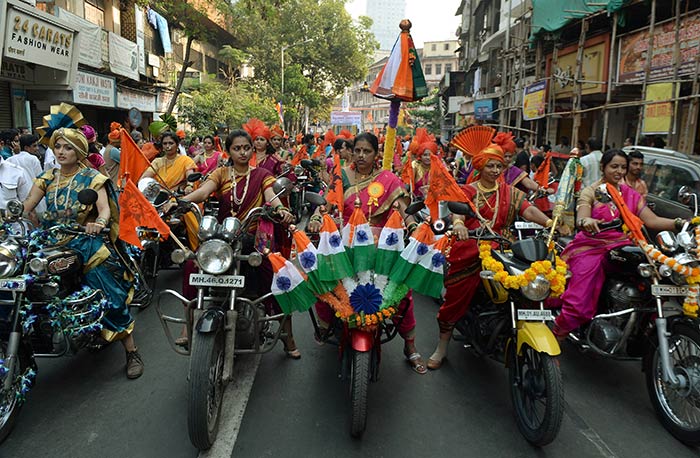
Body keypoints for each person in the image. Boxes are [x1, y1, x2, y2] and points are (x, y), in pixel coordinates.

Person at [427, 127, 554, 370]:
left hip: (504, 248)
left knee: (530, 282)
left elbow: (527, 209)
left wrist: (548, 222)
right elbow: (458, 214)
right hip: (472, 248)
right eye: (490, 166)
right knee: (455, 298)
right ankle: (441, 347)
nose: (495, 170)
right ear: (480, 167)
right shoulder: (468, 191)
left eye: (498, 166)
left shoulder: (510, 192)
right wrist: (459, 225)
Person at [22, 127, 144, 378]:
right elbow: (26, 206)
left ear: (79, 151)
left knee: (110, 294)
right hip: (50, 243)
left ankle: (131, 351)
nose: (61, 152)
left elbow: (104, 210)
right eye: (58, 147)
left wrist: (98, 223)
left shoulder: (92, 177)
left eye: (68, 147)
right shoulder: (46, 177)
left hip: (84, 242)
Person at [307, 132, 427, 374]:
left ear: (376, 154)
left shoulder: (389, 180)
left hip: (382, 249)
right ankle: (325, 326)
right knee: (324, 282)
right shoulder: (343, 176)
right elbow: (327, 203)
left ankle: (410, 346)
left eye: (367, 151)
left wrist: (414, 227)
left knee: (403, 293)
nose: (361, 156)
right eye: (357, 150)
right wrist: (317, 216)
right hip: (347, 247)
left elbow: (404, 209)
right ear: (351, 152)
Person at [173, 130, 301, 357]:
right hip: (222, 240)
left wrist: (280, 209)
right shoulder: (221, 173)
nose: (242, 152)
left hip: (252, 239)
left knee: (274, 276)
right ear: (229, 151)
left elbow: (271, 196)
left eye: (246, 147)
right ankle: (188, 320)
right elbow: (203, 192)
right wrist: (181, 201)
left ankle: (287, 335)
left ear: (252, 149)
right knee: (193, 264)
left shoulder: (262, 175)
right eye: (237, 148)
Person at [551, 149, 680, 339]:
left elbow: (652, 220)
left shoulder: (631, 195)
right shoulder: (592, 192)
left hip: (623, 246)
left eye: (623, 167)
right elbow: (582, 217)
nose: (619, 171)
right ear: (603, 167)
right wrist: (587, 222)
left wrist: (681, 223)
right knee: (578, 302)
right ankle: (558, 333)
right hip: (592, 247)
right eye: (614, 166)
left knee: (656, 274)